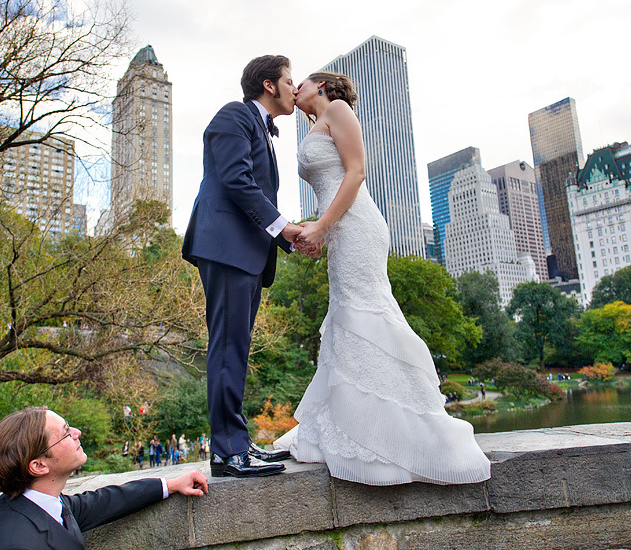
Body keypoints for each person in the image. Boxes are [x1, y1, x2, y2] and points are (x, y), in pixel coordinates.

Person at [274, 72, 492, 486]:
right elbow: (328, 186)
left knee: (365, 311)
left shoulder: (338, 110)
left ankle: (410, 433)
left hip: (358, 225)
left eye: (299, 81)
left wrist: (322, 227)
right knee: (347, 314)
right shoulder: (317, 124)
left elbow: (355, 174)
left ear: (321, 85)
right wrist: (316, 228)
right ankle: (349, 429)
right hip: (339, 227)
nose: (294, 87)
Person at [182, 55, 309, 478]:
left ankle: (235, 444)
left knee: (236, 348)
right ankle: (228, 452)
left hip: (245, 251)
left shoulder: (262, 129)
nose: (295, 89)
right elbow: (237, 180)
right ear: (269, 85)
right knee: (227, 347)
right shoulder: (234, 115)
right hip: (226, 248)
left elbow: (252, 188)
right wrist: (285, 228)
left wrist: (285, 232)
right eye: (290, 81)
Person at [0, 407, 207, 550]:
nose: (77, 433)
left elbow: (104, 502)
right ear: (38, 466)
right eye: (66, 433)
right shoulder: (16, 543)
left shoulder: (35, 503)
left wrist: (171, 485)